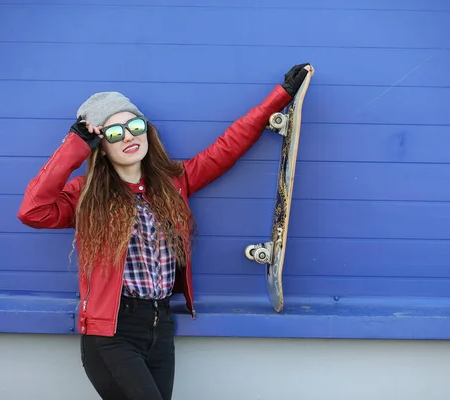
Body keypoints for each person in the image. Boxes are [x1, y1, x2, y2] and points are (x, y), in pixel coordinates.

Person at [17, 63, 311, 400]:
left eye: (134, 125)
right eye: (114, 133)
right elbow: (33, 211)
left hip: (160, 326)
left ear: (146, 130)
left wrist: (281, 96)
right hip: (111, 334)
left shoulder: (175, 182)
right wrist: (76, 144)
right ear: (101, 146)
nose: (128, 136)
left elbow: (229, 146)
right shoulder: (86, 196)